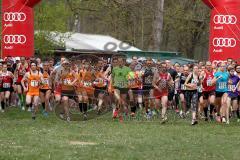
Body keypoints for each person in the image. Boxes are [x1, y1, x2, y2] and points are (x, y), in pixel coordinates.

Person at [112, 57, 131, 122]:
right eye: (118, 61)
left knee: (122, 102)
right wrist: (112, 84)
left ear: (123, 62)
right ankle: (119, 114)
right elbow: (112, 77)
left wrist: (131, 77)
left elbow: (131, 77)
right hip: (116, 86)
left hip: (124, 87)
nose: (119, 62)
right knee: (119, 100)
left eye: (121, 61)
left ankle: (118, 113)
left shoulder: (128, 69)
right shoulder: (114, 68)